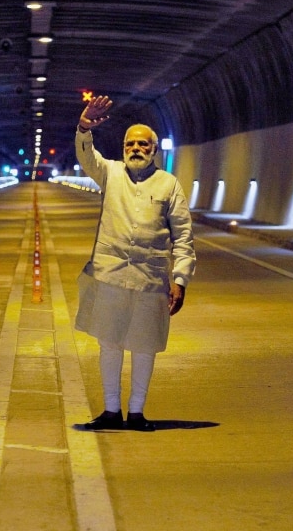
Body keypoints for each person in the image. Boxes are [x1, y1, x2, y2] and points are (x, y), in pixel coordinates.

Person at [73, 95, 196, 431]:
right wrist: (85, 127)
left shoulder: (168, 185)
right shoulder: (110, 173)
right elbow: (87, 156)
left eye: (144, 144)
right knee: (109, 342)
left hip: (151, 278)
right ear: (123, 147)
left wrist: (180, 280)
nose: (136, 148)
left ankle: (137, 412)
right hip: (110, 275)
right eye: (131, 143)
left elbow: (183, 236)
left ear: (155, 150)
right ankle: (111, 411)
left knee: (144, 347)